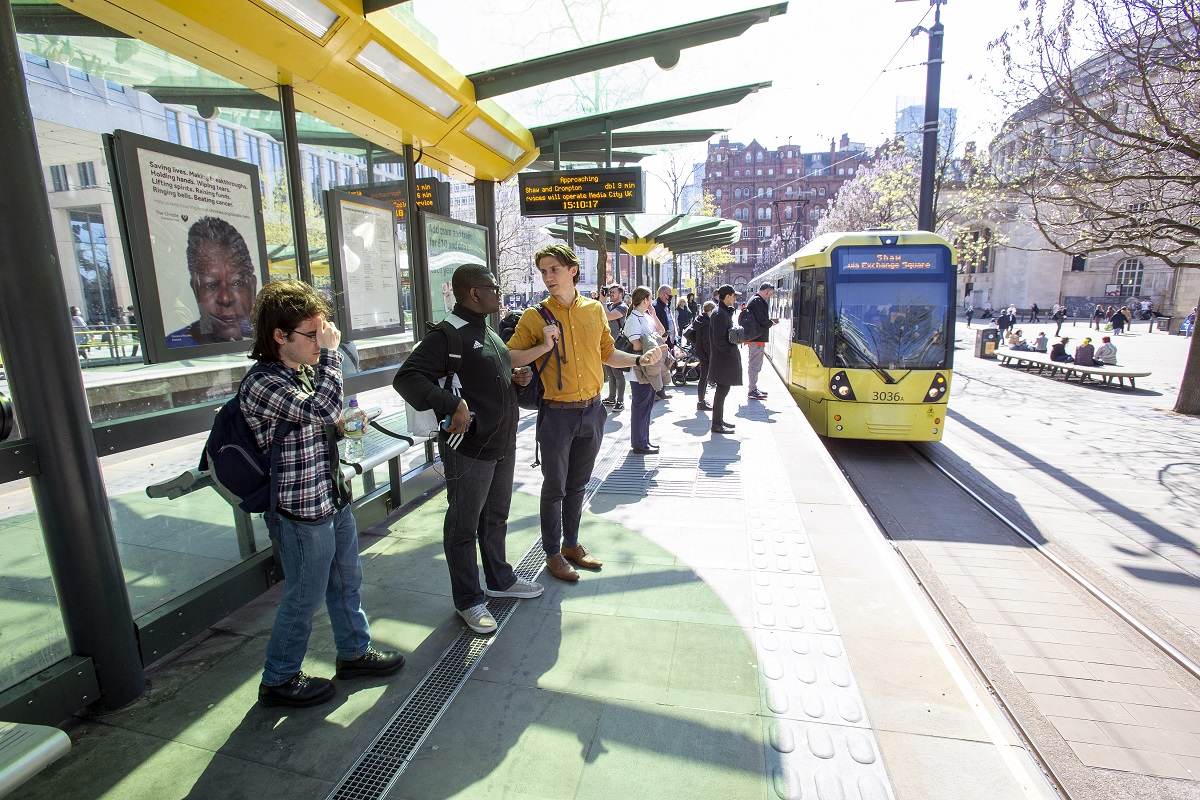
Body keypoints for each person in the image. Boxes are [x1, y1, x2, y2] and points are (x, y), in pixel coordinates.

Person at [243, 279, 404, 708]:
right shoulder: (263, 382)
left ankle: (353, 652)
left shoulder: (304, 372)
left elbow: (326, 420)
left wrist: (346, 424)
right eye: (310, 335)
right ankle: (278, 679)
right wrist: (332, 356)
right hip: (299, 511)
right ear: (280, 335)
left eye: (321, 334)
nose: (320, 342)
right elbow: (322, 409)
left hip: (330, 496)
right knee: (304, 595)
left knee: (346, 580)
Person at [393, 265, 542, 635]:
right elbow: (407, 376)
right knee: (463, 525)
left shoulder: (487, 329)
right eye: (494, 287)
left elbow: (487, 377)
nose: (499, 292)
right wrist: (449, 403)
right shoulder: (448, 334)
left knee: (495, 517)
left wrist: (515, 378)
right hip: (470, 446)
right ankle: (469, 600)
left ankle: (500, 580)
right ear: (474, 293)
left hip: (501, 442)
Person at [506, 244, 660, 582]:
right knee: (554, 487)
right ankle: (552, 553)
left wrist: (637, 360)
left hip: (593, 411)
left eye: (554, 270)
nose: (548, 277)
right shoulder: (534, 316)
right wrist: (542, 347)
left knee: (578, 484)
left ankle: (572, 543)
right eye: (543, 271)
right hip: (556, 415)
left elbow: (608, 354)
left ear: (573, 269)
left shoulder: (594, 310)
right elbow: (508, 357)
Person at [167, 217, 257, 348]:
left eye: (237, 283)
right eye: (210, 285)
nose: (225, 298)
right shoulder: (175, 348)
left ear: (253, 287)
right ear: (195, 290)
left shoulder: (266, 342)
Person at [622, 286, 662, 455]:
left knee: (647, 406)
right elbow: (636, 344)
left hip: (648, 367)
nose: (652, 301)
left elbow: (661, 332)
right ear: (644, 299)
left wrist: (653, 314)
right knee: (641, 407)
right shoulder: (633, 319)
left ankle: (644, 440)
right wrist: (653, 342)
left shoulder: (645, 316)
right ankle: (639, 443)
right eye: (650, 298)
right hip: (639, 370)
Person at [707, 285, 742, 434]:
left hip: (722, 359)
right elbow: (719, 340)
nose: (735, 299)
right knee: (721, 392)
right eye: (734, 296)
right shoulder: (720, 313)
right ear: (727, 296)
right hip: (723, 360)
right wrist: (731, 353)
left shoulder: (721, 312)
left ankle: (719, 421)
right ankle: (716, 424)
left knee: (722, 391)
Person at [601, 285, 629, 412]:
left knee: (618, 374)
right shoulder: (610, 306)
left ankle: (620, 401)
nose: (610, 294)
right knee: (610, 373)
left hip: (617, 344)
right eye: (609, 292)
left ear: (621, 294)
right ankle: (611, 398)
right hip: (607, 344)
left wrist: (602, 301)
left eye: (613, 292)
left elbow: (608, 316)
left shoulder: (623, 307)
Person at [745, 282, 776, 401]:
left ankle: (753, 388)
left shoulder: (754, 299)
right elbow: (761, 318)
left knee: (754, 364)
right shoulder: (758, 301)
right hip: (756, 338)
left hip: (755, 337)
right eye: (770, 294)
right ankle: (752, 389)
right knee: (755, 365)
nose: (769, 297)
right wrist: (770, 323)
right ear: (766, 291)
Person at [692, 301, 715, 411]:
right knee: (703, 377)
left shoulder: (700, 319)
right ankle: (701, 402)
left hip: (701, 352)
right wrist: (711, 356)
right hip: (705, 354)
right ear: (710, 311)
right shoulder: (706, 323)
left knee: (703, 377)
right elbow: (707, 343)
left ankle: (701, 400)